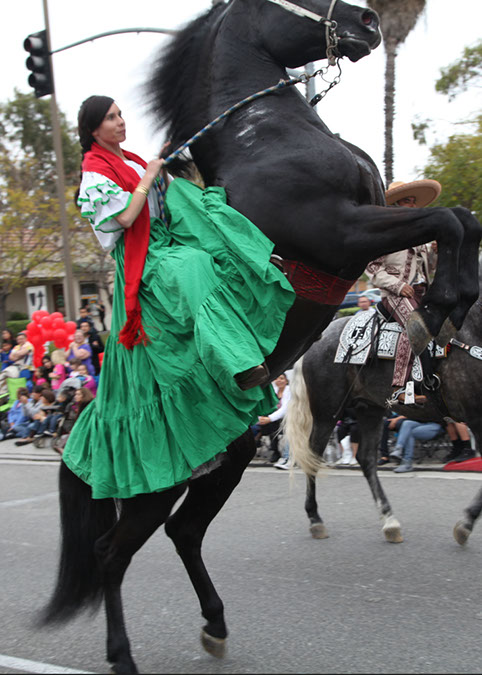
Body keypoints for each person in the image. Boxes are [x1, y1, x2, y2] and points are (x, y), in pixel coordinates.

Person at [61, 95, 294, 500]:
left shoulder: (131, 161)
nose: (120, 122)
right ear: (93, 129)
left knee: (216, 249)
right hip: (144, 262)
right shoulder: (94, 176)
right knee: (194, 269)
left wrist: (167, 162)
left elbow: (168, 203)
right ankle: (236, 362)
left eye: (121, 115)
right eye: (111, 118)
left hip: (166, 243)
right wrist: (150, 175)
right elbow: (126, 219)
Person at [365, 179, 441, 406]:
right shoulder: (385, 235)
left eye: (414, 201)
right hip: (396, 296)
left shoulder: (423, 238)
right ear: (397, 205)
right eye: (408, 201)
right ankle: (400, 389)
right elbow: (371, 267)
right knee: (415, 327)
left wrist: (435, 253)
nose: (413, 205)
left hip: (423, 294)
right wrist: (398, 286)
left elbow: (431, 268)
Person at [251, 373, 291, 465]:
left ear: (286, 381)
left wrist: (269, 418)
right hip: (270, 420)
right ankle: (258, 445)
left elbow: (285, 409)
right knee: (253, 427)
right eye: (277, 378)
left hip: (284, 420)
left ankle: (275, 452)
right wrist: (260, 418)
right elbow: (266, 407)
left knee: (271, 427)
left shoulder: (289, 391)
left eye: (281, 378)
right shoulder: (273, 391)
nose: (279, 380)